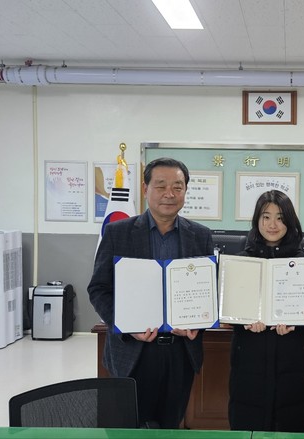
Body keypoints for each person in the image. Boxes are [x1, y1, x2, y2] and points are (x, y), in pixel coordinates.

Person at [88, 157, 214, 429]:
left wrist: (198, 324)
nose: (169, 194)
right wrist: (126, 325)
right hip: (133, 351)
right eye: (161, 186)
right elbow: (98, 289)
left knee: (170, 426)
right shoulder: (118, 232)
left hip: (181, 352)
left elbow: (208, 292)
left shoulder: (200, 236)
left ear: (185, 191)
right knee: (130, 427)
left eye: (177, 187)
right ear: (145, 189)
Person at [228, 190, 304, 432]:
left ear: (290, 221)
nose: (272, 224)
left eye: (280, 218)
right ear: (257, 220)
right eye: (266, 217)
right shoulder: (241, 262)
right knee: (248, 427)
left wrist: (297, 323)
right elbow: (228, 308)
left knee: (291, 426)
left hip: (292, 363)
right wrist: (243, 321)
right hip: (250, 362)